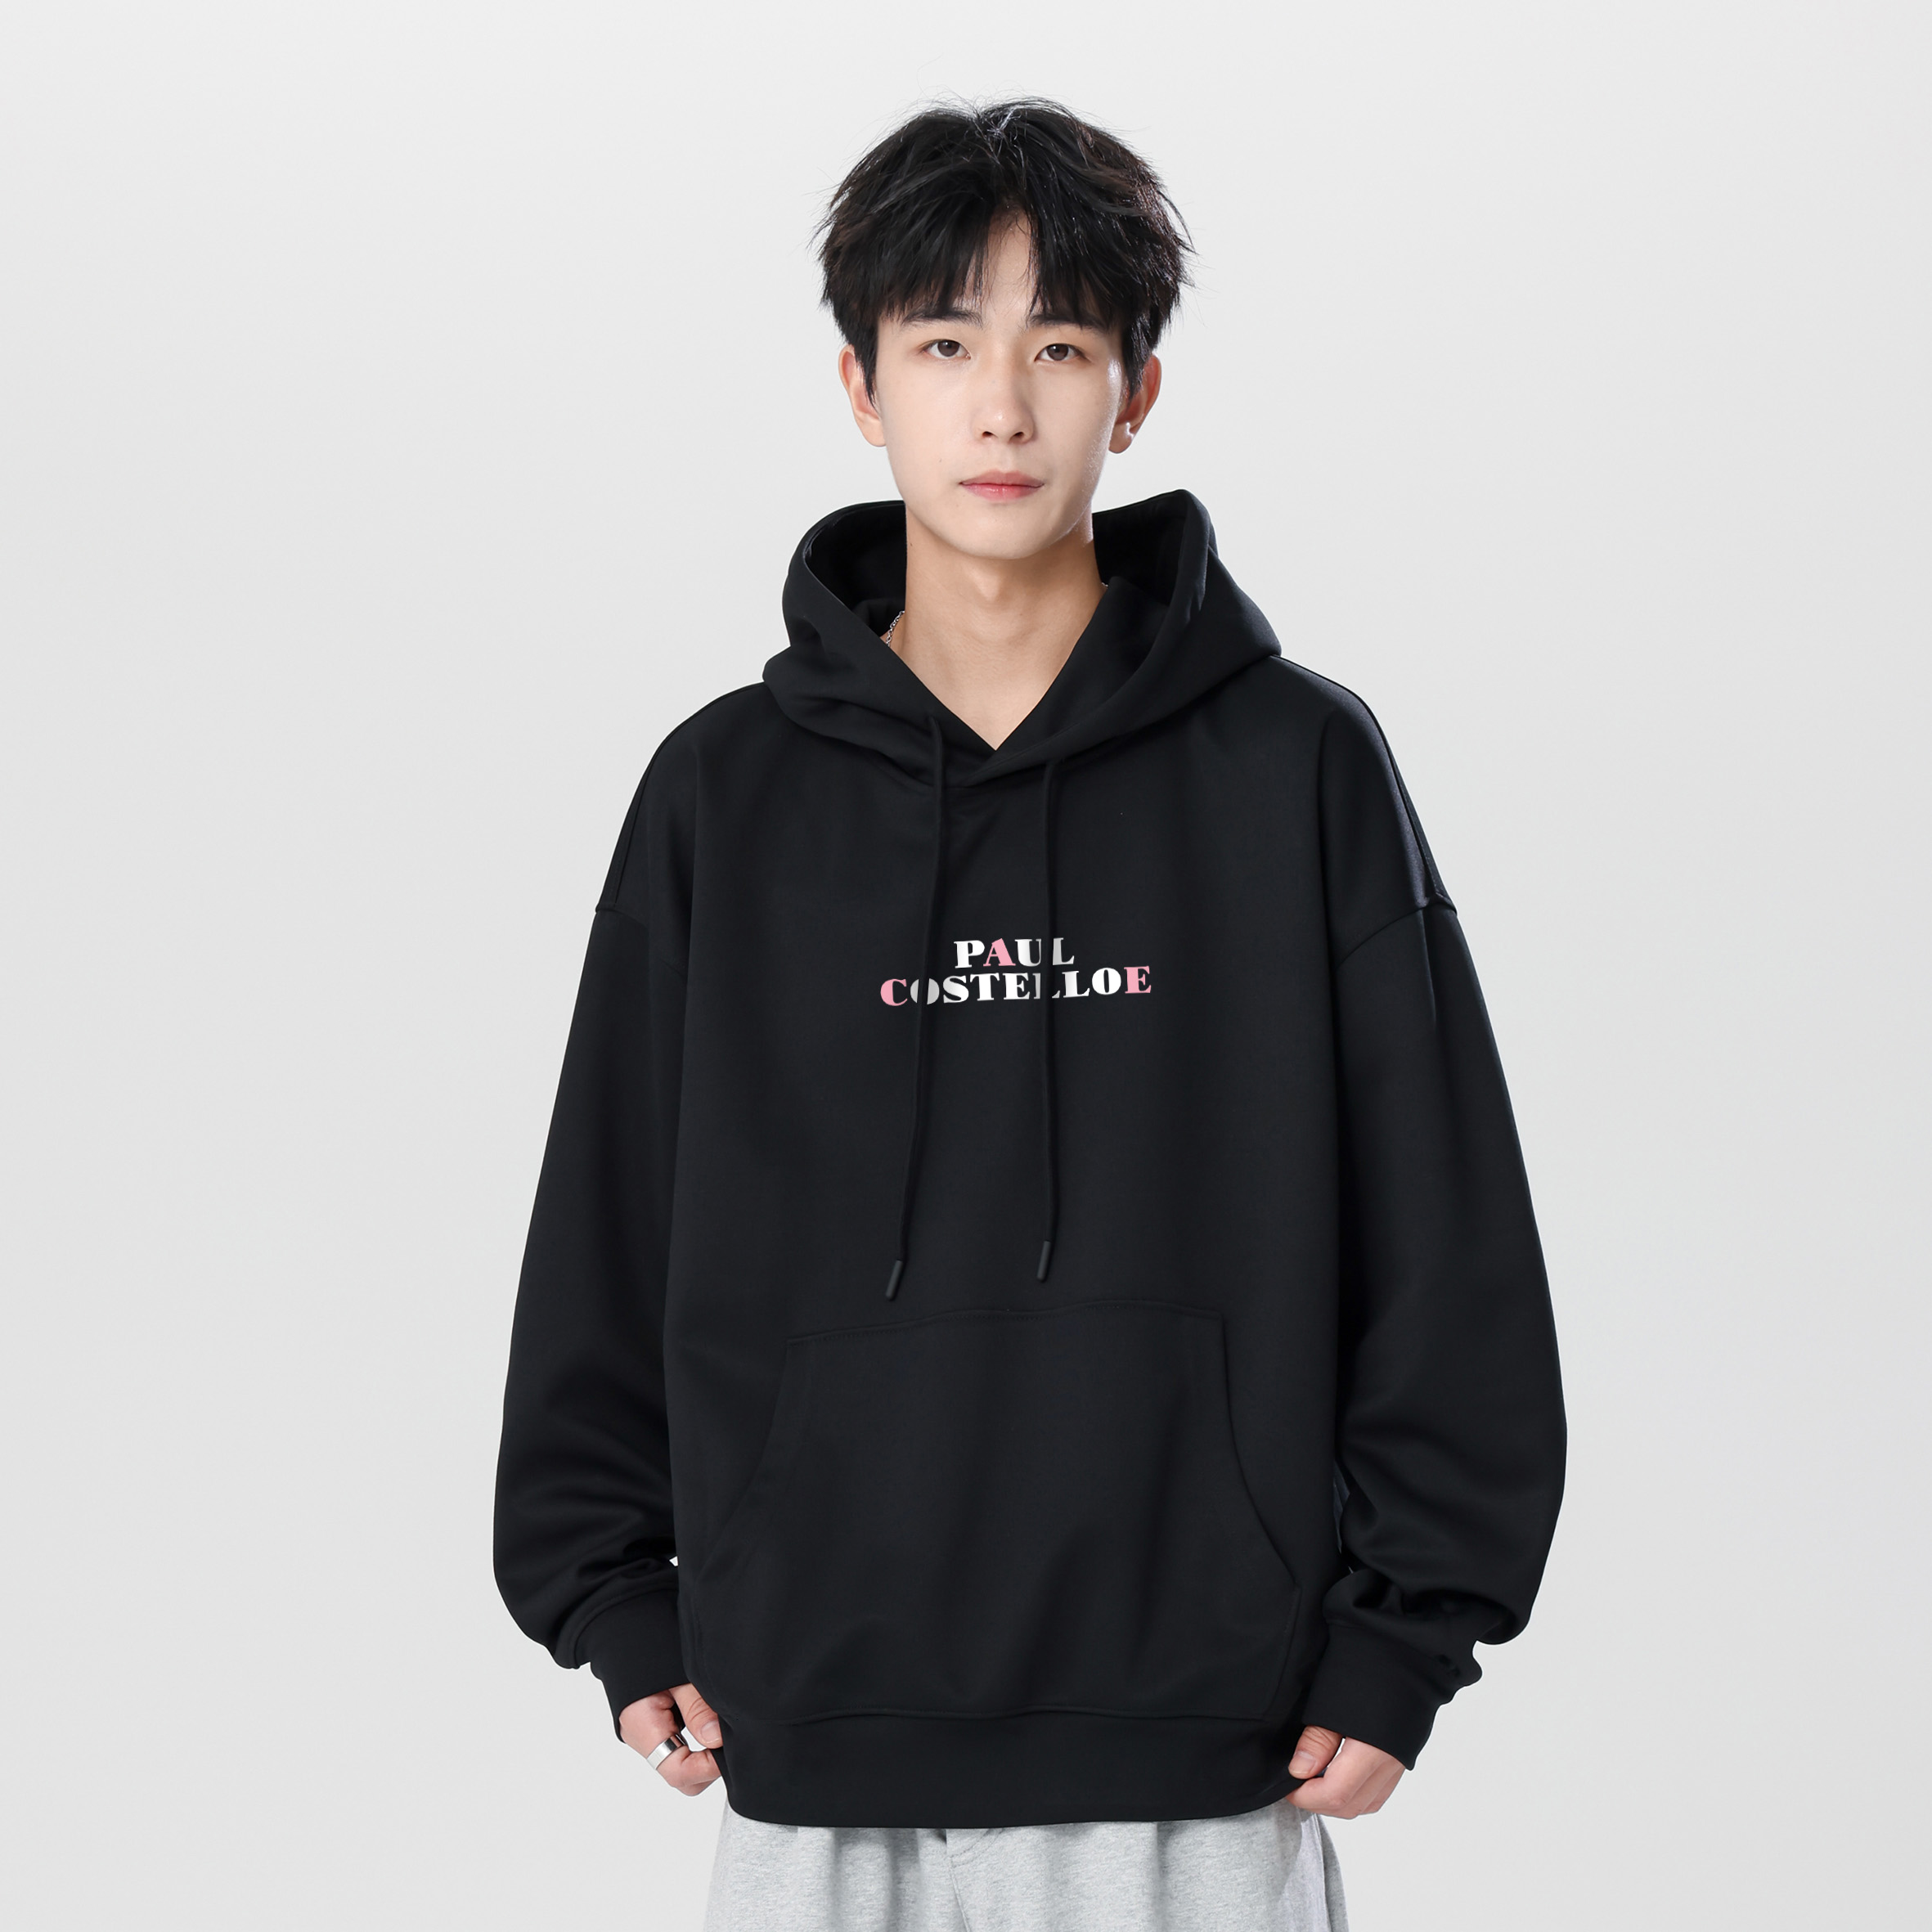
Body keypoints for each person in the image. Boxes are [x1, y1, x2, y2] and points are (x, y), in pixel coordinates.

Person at [492, 97, 1566, 1931]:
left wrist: (1407, 1630)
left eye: (1058, 346)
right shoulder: (723, 796)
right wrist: (611, 1587)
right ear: (860, 387)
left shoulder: (1294, 765)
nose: (999, 407)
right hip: (812, 1728)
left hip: (1203, 1748)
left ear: (1134, 392)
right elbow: (607, 1213)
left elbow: (1441, 1224)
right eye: (942, 344)